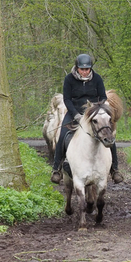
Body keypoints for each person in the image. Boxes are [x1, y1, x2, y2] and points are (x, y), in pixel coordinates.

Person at [50, 54, 124, 184]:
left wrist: (96, 109)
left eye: (87, 69)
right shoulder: (69, 79)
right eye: (82, 69)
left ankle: (114, 170)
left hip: (94, 112)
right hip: (75, 111)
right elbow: (67, 99)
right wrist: (76, 115)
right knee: (62, 135)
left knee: (109, 135)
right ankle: (57, 169)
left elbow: (102, 96)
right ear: (77, 68)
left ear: (90, 68)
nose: (84, 72)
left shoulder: (97, 79)